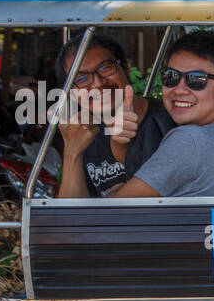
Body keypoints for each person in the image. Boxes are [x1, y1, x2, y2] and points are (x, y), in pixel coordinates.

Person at [58, 31, 214, 198]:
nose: (179, 89)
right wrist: (73, 151)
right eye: (171, 77)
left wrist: (116, 191)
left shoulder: (188, 137)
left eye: (196, 80)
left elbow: (113, 212)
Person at [52, 33, 176, 196]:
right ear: (72, 93)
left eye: (105, 68)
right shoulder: (85, 133)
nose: (98, 83)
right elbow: (70, 216)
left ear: (125, 67)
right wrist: (72, 152)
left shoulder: (169, 121)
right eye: (81, 79)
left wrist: (115, 195)